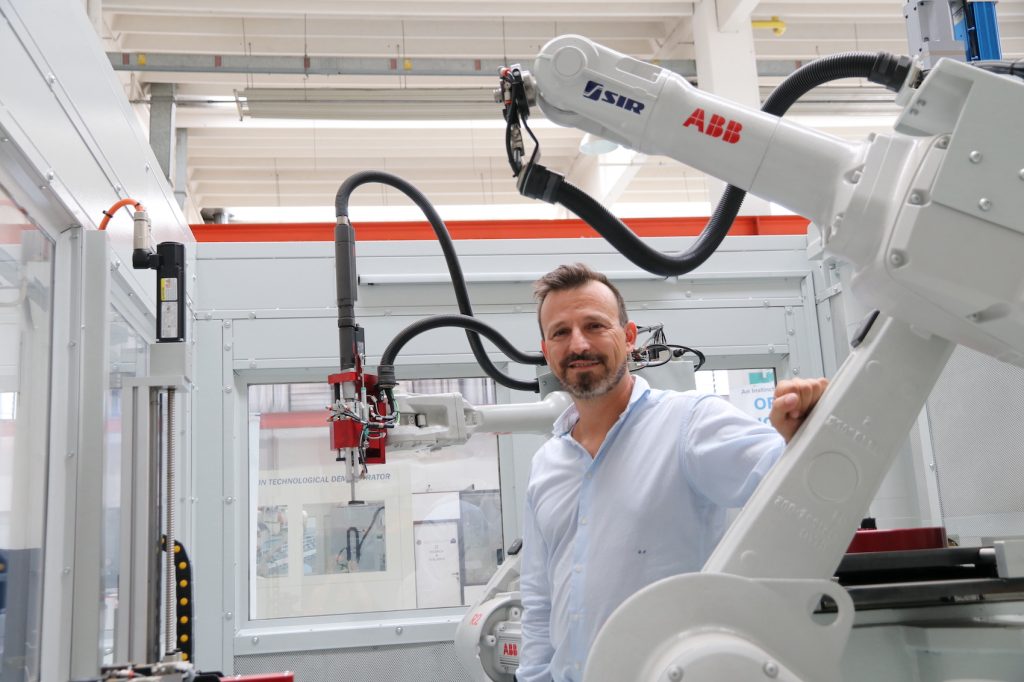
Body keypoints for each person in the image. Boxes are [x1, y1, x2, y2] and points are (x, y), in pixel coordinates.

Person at [517, 263, 828, 682]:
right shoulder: (546, 462)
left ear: (629, 337)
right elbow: (539, 599)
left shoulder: (689, 423)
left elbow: (787, 476)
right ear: (546, 349)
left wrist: (804, 430)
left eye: (594, 325)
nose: (578, 344)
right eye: (560, 332)